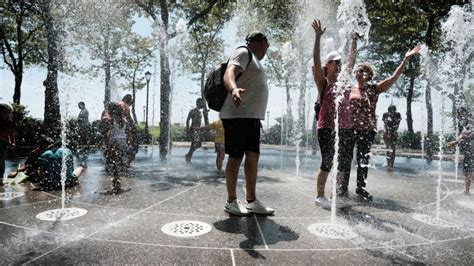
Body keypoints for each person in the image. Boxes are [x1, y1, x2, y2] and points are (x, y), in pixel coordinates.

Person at [342, 45, 420, 201]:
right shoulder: (349, 88)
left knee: (363, 159)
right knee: (346, 159)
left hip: (367, 130)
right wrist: (353, 42)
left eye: (364, 70)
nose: (360, 72)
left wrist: (405, 59)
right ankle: (342, 187)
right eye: (358, 70)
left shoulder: (374, 89)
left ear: (369, 75)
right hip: (349, 128)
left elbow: (394, 77)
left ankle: (360, 188)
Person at [220, 31, 273, 216]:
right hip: (237, 115)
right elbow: (229, 73)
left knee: (252, 157)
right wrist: (233, 89)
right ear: (261, 43)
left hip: (251, 117)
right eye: (267, 46)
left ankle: (251, 200)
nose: (267, 50)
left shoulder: (255, 60)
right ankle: (231, 201)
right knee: (235, 158)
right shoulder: (243, 52)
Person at [311, 20, 357, 207]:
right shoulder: (323, 83)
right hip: (326, 127)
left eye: (339, 63)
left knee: (343, 164)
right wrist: (317, 37)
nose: (338, 65)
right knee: (327, 162)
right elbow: (315, 61)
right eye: (335, 62)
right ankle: (320, 196)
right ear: (327, 65)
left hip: (345, 127)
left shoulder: (344, 82)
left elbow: (352, 60)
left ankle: (336, 194)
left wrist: (354, 40)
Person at [103, 102, 129, 194]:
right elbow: (127, 132)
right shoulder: (123, 120)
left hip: (114, 143)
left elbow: (106, 132)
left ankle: (116, 185)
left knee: (114, 165)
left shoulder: (111, 120)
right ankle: (117, 183)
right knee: (117, 164)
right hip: (122, 143)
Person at [448, 106, 472, 195]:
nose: (458, 115)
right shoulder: (462, 122)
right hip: (469, 149)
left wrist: (455, 142)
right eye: (458, 113)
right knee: (467, 169)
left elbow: (467, 133)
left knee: (468, 170)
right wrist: (456, 141)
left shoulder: (468, 121)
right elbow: (462, 134)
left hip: (472, 148)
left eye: (460, 113)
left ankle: (466, 191)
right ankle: (466, 191)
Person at [118, 94, 138, 167]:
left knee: (125, 146)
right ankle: (127, 163)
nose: (131, 103)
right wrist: (132, 128)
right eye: (131, 101)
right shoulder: (123, 105)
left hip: (122, 129)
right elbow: (127, 118)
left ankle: (124, 162)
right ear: (128, 100)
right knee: (131, 146)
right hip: (125, 129)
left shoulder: (121, 104)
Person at [185, 98, 205, 163]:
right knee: (196, 144)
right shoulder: (192, 111)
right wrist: (188, 130)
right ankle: (188, 156)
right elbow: (187, 120)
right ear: (198, 103)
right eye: (202, 103)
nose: (203, 104)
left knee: (197, 144)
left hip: (198, 131)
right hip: (193, 130)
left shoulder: (200, 112)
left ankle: (188, 155)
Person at [382, 105, 402, 170]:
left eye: (393, 110)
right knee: (388, 149)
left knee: (393, 150)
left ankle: (392, 165)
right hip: (387, 133)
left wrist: (395, 131)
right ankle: (388, 165)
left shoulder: (397, 114)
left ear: (395, 110)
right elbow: (385, 124)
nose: (391, 112)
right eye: (390, 110)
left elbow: (398, 124)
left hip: (394, 133)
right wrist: (388, 132)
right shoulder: (385, 114)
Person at [0, 103, 15, 184]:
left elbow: (11, 133)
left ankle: (1, 177)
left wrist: (13, 142)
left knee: (1, 161)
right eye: (5, 112)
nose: (7, 114)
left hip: (4, 144)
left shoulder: (9, 122)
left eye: (8, 112)